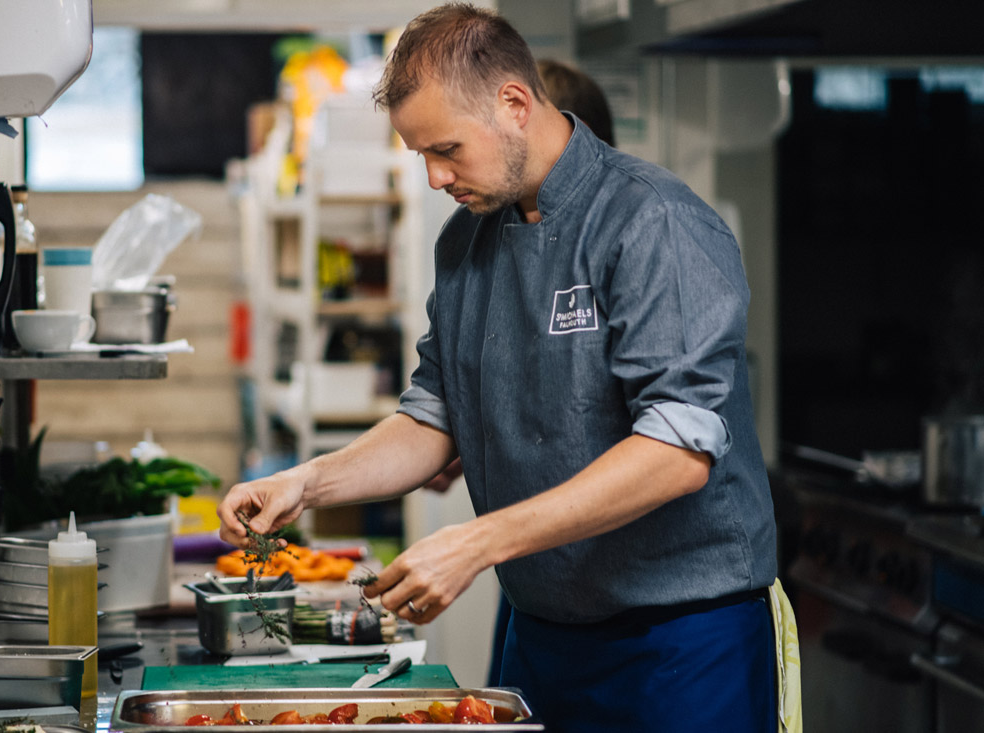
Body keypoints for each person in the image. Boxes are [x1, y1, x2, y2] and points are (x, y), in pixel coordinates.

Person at [219, 4, 778, 731]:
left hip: (679, 648)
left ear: (515, 104)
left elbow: (677, 451)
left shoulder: (653, 222)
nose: (433, 176)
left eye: (446, 148)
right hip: (543, 638)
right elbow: (434, 414)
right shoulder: (466, 243)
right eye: (420, 154)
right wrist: (308, 480)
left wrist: (477, 541)